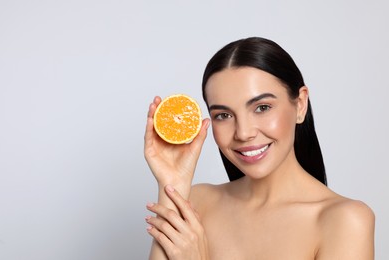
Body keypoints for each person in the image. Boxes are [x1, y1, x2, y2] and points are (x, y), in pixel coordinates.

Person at [144, 37, 375, 259]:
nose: (243, 133)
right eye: (223, 115)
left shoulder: (344, 220)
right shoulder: (197, 202)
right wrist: (172, 184)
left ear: (301, 104)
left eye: (262, 107)